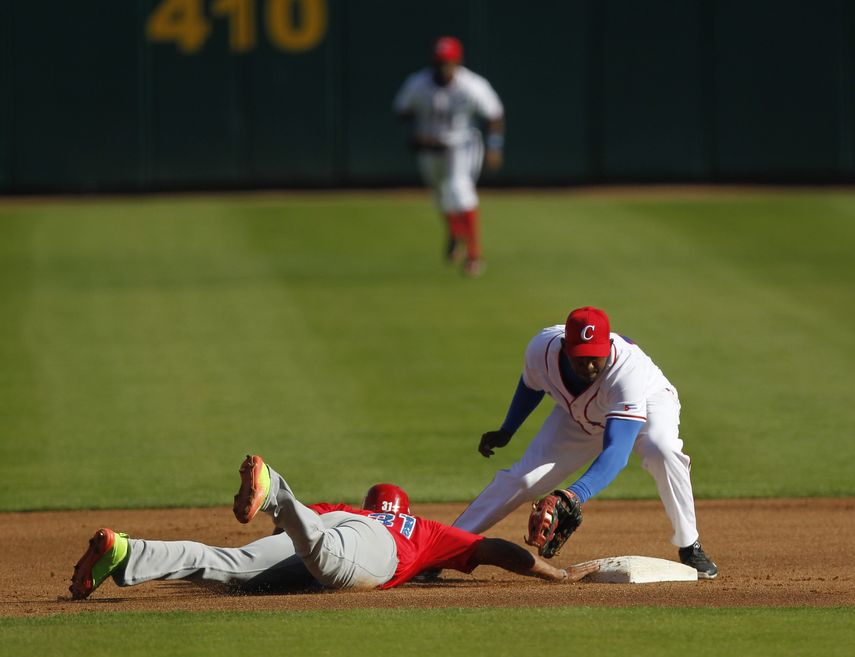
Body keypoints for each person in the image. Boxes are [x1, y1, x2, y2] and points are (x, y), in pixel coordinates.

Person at [69, 454, 599, 599]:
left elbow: (287, 546)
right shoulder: (420, 527)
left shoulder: (348, 507)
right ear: (404, 506)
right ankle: (276, 488)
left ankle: (126, 553)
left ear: (373, 502)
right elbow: (494, 548)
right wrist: (554, 574)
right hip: (368, 547)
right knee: (328, 563)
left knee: (227, 567)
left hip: (323, 524)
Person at [451, 306, 719, 579]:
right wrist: (507, 429)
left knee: (660, 449)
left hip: (648, 402)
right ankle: (445, 547)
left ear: (609, 345)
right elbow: (531, 385)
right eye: (580, 358)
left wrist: (573, 495)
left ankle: (689, 545)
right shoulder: (541, 348)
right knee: (523, 480)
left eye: (595, 357)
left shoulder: (627, 371)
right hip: (580, 415)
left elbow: (617, 450)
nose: (589, 365)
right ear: (565, 347)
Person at [393, 36, 505, 277]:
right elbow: (402, 110)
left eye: (449, 62)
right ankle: (455, 233)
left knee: (460, 190)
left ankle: (474, 255)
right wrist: (415, 135)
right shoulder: (418, 83)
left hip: (461, 144)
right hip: (429, 148)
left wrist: (495, 147)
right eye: (440, 62)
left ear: (458, 62)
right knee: (440, 194)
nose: (445, 67)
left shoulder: (472, 85)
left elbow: (495, 114)